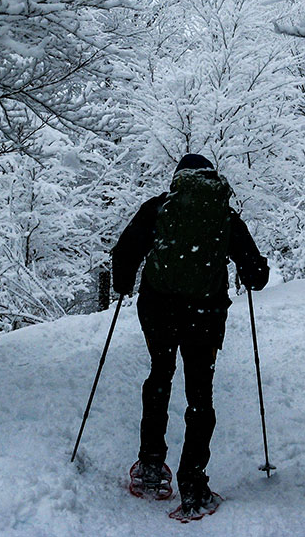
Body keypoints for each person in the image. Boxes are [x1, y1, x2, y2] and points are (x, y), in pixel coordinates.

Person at [112, 154, 269, 518]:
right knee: (200, 393)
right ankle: (194, 486)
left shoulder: (158, 208)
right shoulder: (223, 215)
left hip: (158, 310)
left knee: (160, 376)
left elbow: (125, 252)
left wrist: (122, 284)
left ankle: (150, 465)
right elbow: (256, 275)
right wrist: (253, 271)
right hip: (205, 315)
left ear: (178, 178)